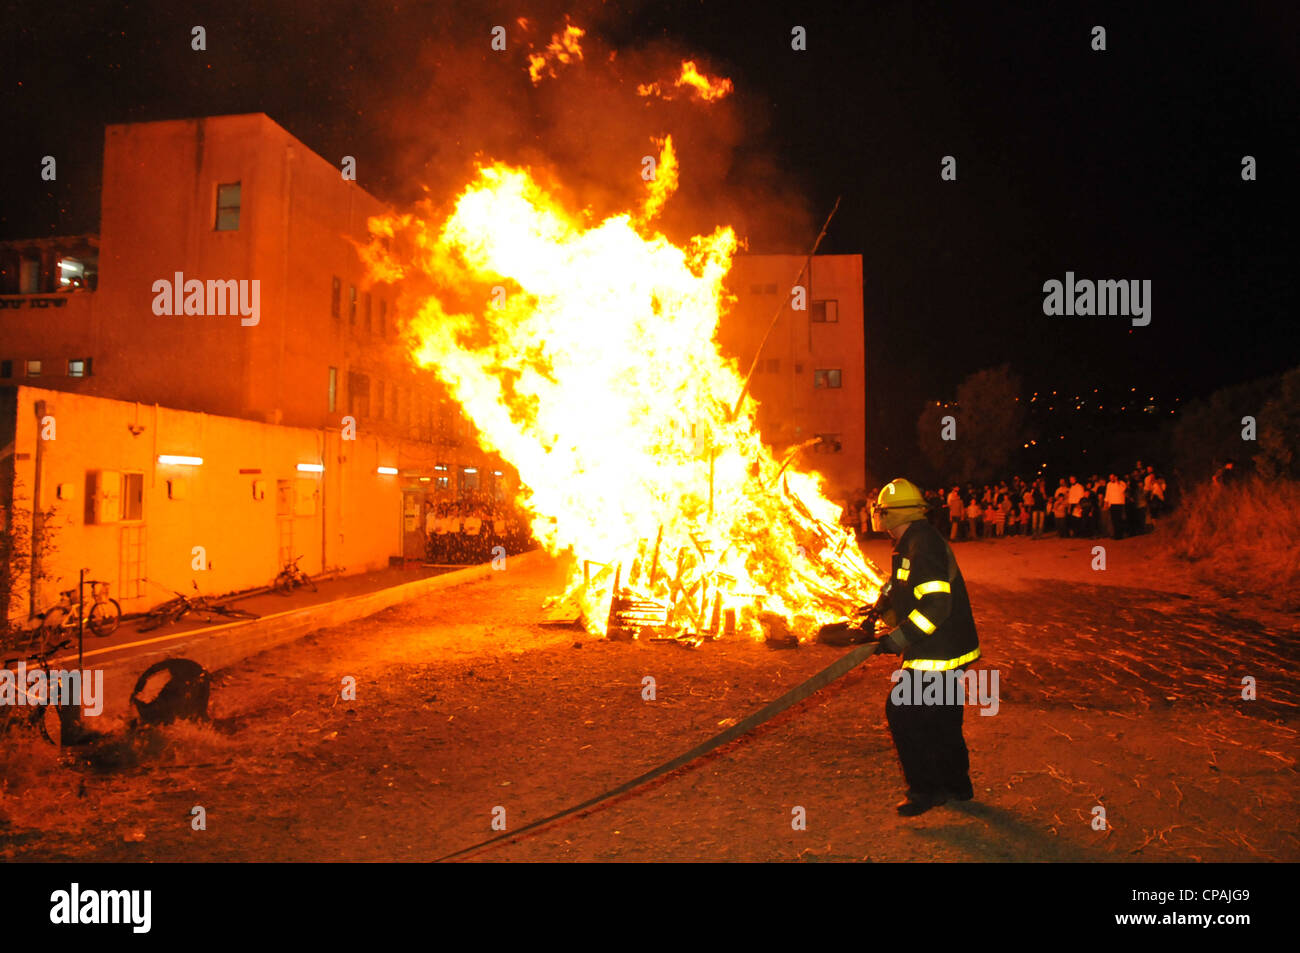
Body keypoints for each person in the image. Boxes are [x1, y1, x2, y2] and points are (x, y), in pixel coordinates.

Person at [868, 479, 981, 816]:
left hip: (937, 651)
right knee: (943, 717)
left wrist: (898, 639)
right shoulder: (910, 541)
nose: (877, 516)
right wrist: (884, 601)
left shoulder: (923, 544)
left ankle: (925, 790)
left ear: (889, 514)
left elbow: (936, 605)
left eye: (881, 511)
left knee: (902, 713)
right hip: (948, 647)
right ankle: (957, 784)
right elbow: (905, 584)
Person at [1104, 473, 1127, 539]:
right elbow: (1107, 494)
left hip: (1119, 503)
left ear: (1116, 477)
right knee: (1114, 519)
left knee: (1119, 519)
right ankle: (1116, 534)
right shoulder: (1109, 484)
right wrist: (1106, 502)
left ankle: (1120, 534)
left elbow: (1122, 490)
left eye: (1112, 477)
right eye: (1110, 477)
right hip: (1112, 503)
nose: (1111, 479)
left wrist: (1117, 482)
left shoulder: (1121, 483)